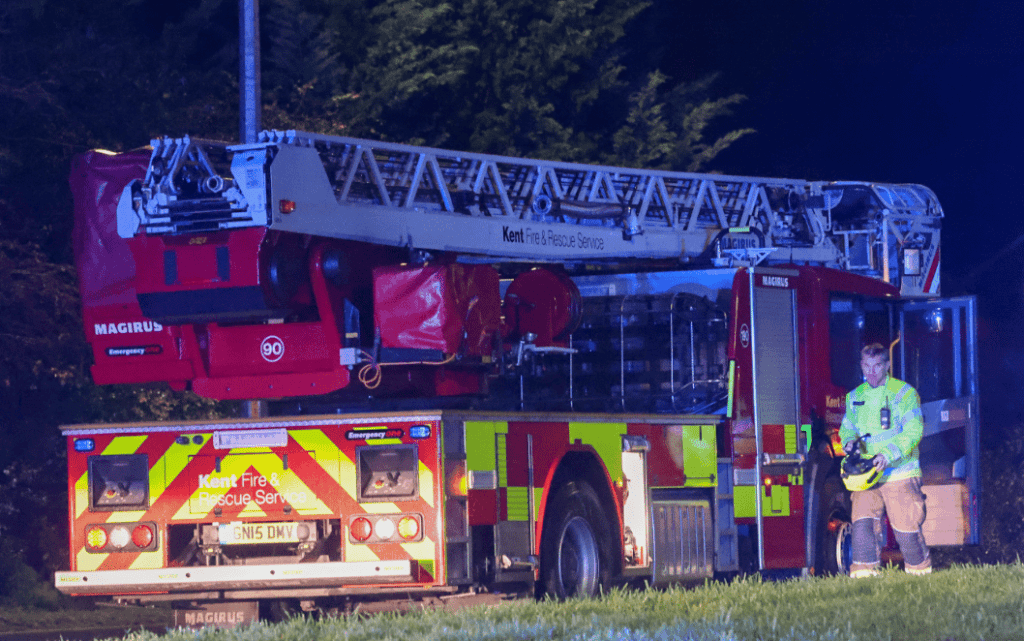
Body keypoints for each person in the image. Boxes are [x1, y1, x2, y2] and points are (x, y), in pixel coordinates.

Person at [838, 343, 931, 577]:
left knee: (906, 533)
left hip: (899, 473)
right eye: (867, 366)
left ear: (887, 365)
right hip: (866, 476)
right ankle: (863, 581)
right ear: (861, 365)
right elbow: (846, 429)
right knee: (862, 528)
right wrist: (849, 442)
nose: (871, 372)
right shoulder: (854, 397)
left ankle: (921, 574)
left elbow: (914, 430)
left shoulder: (904, 393)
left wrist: (887, 455)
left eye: (877, 366)